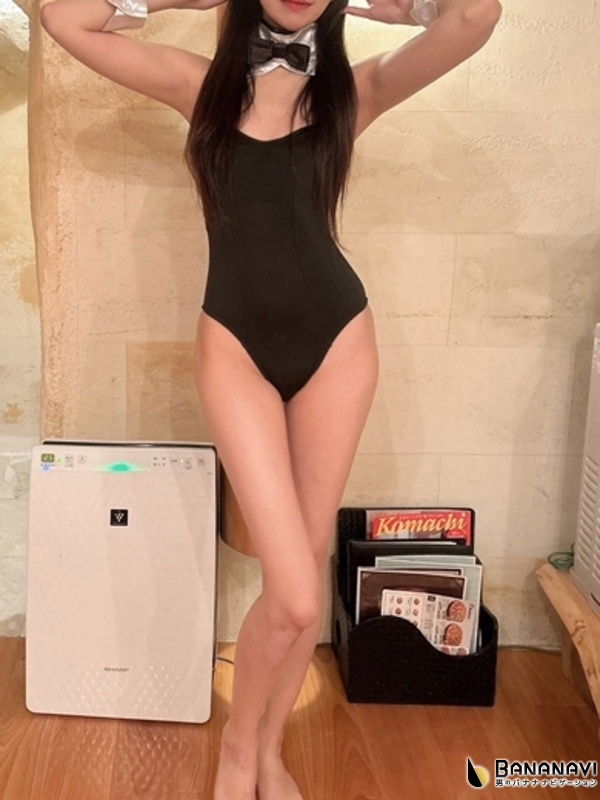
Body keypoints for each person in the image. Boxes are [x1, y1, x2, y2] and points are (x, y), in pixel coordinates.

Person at [40, 1, 502, 798]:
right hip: (234, 347)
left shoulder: (354, 93)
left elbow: (476, 15)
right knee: (290, 592)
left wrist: (397, 5)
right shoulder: (199, 88)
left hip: (338, 344)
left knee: (304, 585)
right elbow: (63, 19)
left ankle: (266, 751)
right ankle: (235, 751)